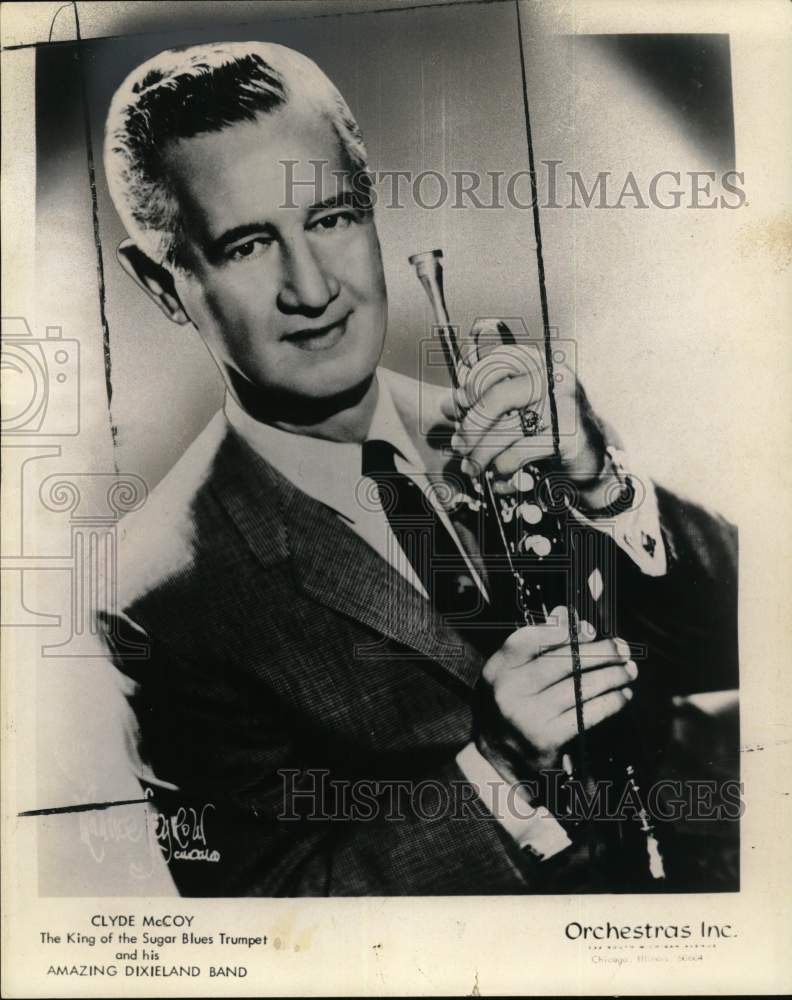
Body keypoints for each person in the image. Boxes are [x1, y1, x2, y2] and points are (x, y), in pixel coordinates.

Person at [98, 41, 738, 896]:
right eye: (248, 245)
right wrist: (500, 773)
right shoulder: (161, 600)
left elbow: (744, 637)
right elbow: (266, 923)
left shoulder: (511, 426)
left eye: (331, 220)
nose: (313, 288)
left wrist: (604, 483)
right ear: (163, 285)